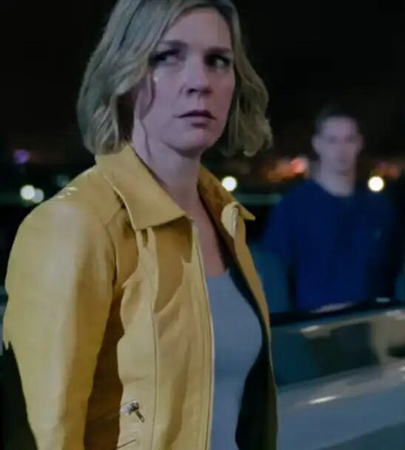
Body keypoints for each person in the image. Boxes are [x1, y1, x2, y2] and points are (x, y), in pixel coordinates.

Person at [1, 1, 277, 448]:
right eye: (167, 57)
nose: (200, 81)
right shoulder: (76, 224)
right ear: (124, 75)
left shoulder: (226, 220)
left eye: (217, 61)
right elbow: (44, 433)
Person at [259, 105, 402, 312]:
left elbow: (394, 274)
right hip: (311, 326)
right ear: (317, 144)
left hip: (368, 325)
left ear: (359, 144)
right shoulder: (293, 208)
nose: (341, 150)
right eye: (332, 140)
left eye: (349, 140)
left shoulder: (380, 209)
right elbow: (274, 275)